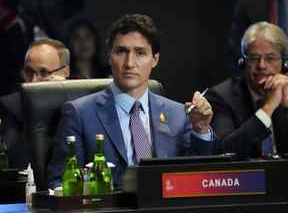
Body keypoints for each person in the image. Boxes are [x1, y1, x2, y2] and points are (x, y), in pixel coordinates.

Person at [47, 14, 215, 190]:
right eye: (121, 51)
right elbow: (59, 183)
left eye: (140, 53)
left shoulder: (179, 114)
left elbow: (197, 179)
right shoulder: (79, 114)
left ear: (155, 60)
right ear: (109, 56)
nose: (129, 63)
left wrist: (201, 130)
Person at [207, 22, 288, 159]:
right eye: (255, 58)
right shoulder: (221, 97)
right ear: (243, 62)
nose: (262, 65)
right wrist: (268, 107)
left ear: (284, 63)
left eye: (270, 58)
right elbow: (225, 151)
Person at [0, 38, 70, 169]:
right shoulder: (11, 106)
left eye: (43, 72)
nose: (33, 80)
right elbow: (16, 161)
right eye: (28, 71)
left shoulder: (81, 103)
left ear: (64, 72)